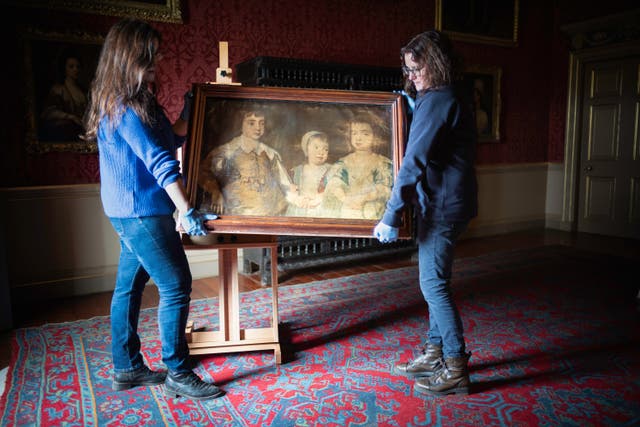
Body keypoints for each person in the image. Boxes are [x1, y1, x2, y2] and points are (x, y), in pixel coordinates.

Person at [84, 18, 223, 401]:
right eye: (150, 57)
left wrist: (195, 105)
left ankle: (126, 367)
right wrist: (186, 209)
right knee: (176, 285)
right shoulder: (122, 106)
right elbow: (160, 161)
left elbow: (174, 134)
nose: (156, 63)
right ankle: (178, 371)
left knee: (128, 289)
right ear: (129, 57)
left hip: (134, 211)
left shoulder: (139, 99)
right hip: (140, 212)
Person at [373, 30, 478, 397]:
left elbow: (412, 162)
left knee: (433, 286)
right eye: (408, 71)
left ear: (436, 64)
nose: (412, 77)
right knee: (437, 280)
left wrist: (390, 215)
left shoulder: (438, 100)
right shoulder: (454, 93)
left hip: (443, 206)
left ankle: (455, 367)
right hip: (452, 202)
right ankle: (435, 353)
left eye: (417, 70)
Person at [197, 107, 294, 215]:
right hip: (238, 211)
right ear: (241, 125)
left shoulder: (270, 153)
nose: (258, 128)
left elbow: (284, 181)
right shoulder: (228, 150)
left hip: (270, 213)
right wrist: (215, 192)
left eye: (261, 123)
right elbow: (203, 173)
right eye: (251, 123)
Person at [323, 113, 393, 219]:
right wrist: (345, 199)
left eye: (365, 134)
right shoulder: (344, 162)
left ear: (375, 136)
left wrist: (363, 198)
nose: (358, 138)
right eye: (354, 133)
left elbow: (384, 188)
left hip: (372, 210)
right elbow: (334, 183)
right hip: (348, 207)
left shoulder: (382, 162)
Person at [40, 51, 87, 141]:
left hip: (83, 132)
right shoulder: (58, 89)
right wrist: (71, 117)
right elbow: (48, 112)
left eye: (78, 67)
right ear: (64, 69)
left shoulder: (84, 91)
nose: (75, 69)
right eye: (71, 67)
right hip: (67, 133)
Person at [286, 130, 333, 217]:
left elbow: (334, 190)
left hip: (321, 209)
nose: (321, 152)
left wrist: (319, 199)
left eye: (325, 149)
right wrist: (296, 199)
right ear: (306, 150)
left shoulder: (331, 170)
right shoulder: (297, 171)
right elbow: (289, 190)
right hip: (300, 209)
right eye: (316, 147)